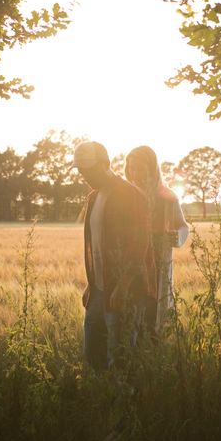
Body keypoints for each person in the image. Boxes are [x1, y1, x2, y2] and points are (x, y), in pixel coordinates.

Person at [75, 140, 156, 371]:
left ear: (106, 164)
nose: (85, 176)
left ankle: (126, 394)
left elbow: (140, 243)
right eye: (81, 171)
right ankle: (99, 394)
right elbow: (96, 244)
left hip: (125, 291)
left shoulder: (130, 195)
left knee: (121, 361)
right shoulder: (93, 197)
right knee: (93, 358)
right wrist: (92, 284)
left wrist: (124, 284)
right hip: (99, 291)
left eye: (89, 169)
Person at [124, 145, 189, 335]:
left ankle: (154, 345)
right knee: (132, 313)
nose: (134, 173)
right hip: (131, 264)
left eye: (139, 167)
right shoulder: (124, 197)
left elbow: (183, 226)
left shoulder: (167, 197)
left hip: (159, 263)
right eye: (131, 167)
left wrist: (177, 237)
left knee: (155, 313)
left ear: (152, 168)